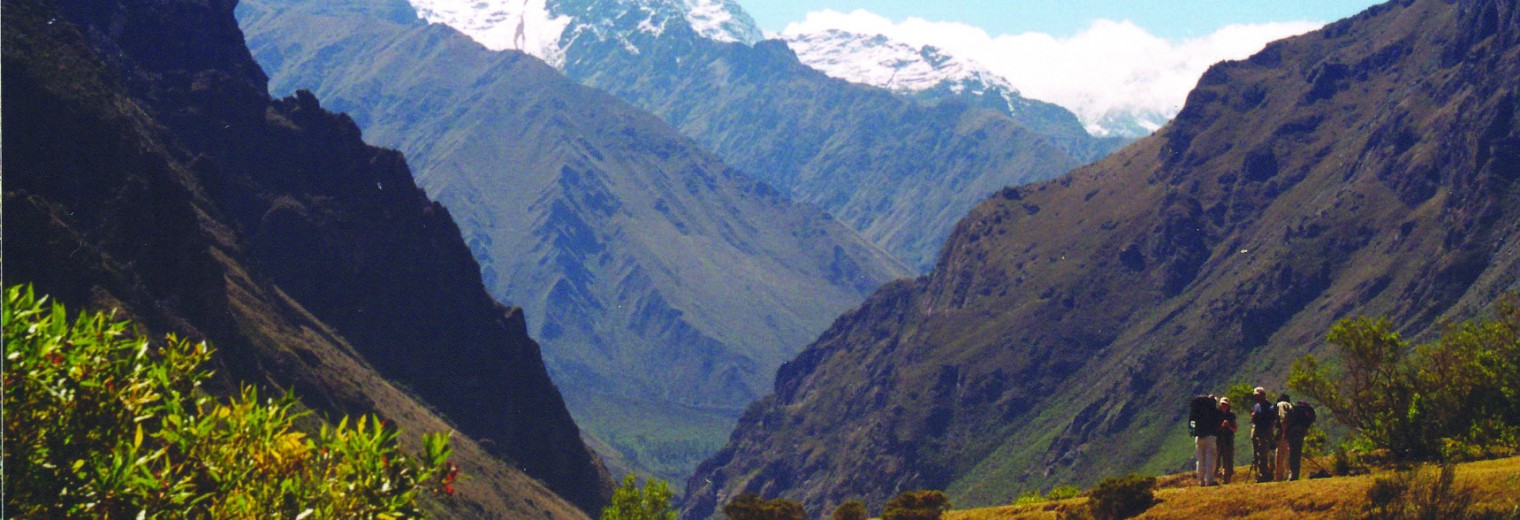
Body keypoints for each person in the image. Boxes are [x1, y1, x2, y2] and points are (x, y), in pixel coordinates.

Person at [1189, 395, 1221, 486]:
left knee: (1200, 460)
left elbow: (1192, 420)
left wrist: (1192, 432)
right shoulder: (1213, 410)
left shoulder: (1197, 409)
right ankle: (1209, 481)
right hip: (1210, 436)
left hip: (1198, 436)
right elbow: (1217, 422)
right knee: (1210, 459)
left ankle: (1201, 480)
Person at [1249, 387, 1275, 483]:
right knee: (1257, 454)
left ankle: (1265, 474)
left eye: (1257, 395)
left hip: (1265, 433)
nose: (1256, 397)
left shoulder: (1269, 407)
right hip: (1257, 432)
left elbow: (1272, 421)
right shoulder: (1256, 406)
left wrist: (1269, 432)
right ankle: (1259, 474)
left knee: (1263, 454)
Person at [1283, 396, 1311, 480]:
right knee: (1296, 453)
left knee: (1293, 453)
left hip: (1293, 432)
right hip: (1301, 431)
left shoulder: (1292, 409)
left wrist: (1285, 432)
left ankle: (1293, 475)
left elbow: (1286, 421)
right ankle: (1295, 474)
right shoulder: (1305, 412)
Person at [1216, 397, 1238, 484]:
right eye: (1222, 405)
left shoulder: (1231, 416)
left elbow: (1235, 429)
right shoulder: (1216, 414)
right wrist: (1221, 426)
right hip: (1218, 439)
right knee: (1216, 460)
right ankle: (1212, 478)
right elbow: (1214, 428)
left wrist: (1228, 426)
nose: (1223, 406)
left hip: (1228, 440)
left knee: (1228, 461)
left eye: (1225, 405)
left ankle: (1226, 480)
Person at [1274, 394, 1294, 481]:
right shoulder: (1291, 406)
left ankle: (1280, 477)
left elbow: (1283, 418)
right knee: (1289, 455)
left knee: (1280, 456)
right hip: (1292, 433)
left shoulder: (1281, 405)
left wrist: (1284, 432)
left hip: (1284, 433)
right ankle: (1289, 475)